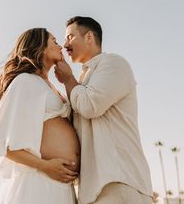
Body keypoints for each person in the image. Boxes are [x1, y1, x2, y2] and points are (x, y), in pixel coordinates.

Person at [54, 16, 154, 204]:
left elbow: (91, 106)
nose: (65, 44)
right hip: (94, 190)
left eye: (70, 37)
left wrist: (68, 80)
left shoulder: (114, 64)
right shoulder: (83, 80)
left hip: (118, 182)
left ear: (89, 37)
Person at [0, 28, 80, 204]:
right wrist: (46, 166)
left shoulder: (51, 86)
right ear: (39, 46)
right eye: (54, 42)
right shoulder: (25, 81)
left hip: (61, 186)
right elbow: (3, 145)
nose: (61, 46)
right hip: (38, 184)